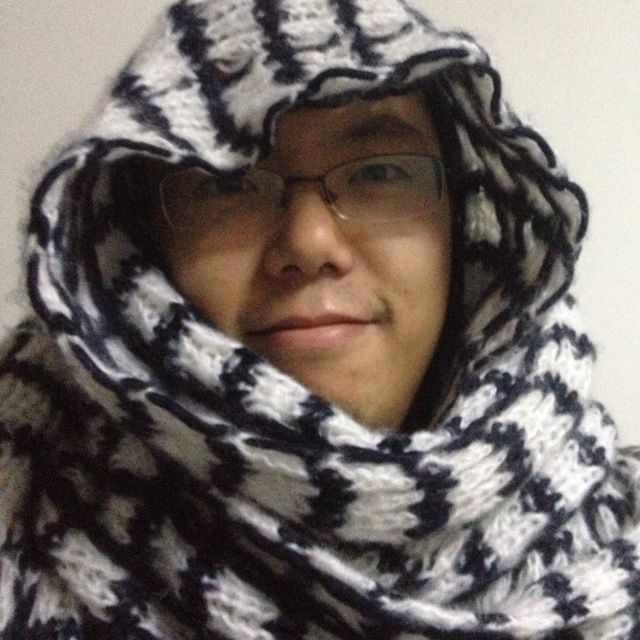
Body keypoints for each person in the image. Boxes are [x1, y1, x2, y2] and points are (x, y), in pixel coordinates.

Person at [0, 1, 638, 639]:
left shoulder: (620, 533)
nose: (309, 243)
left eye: (379, 173)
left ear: (462, 230)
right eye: (227, 184)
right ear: (145, 243)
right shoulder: (21, 498)